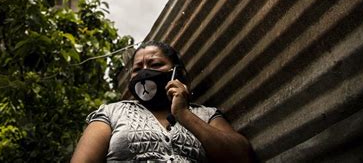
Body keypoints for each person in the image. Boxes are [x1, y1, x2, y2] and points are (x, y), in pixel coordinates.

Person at [71, 41, 253, 162]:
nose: (144, 73)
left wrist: (184, 115)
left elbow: (242, 157)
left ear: (176, 72)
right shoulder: (113, 112)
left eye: (155, 65)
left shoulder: (205, 115)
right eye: (137, 69)